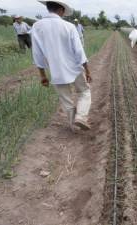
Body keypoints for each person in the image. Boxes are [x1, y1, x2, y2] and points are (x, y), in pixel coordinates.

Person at [31, 0, 92, 131]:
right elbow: (79, 51)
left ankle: (74, 128)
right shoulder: (69, 26)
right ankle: (81, 117)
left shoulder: (36, 26)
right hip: (74, 68)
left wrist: (42, 75)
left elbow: (37, 54)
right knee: (84, 92)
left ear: (48, 8)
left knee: (66, 100)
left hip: (56, 71)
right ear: (61, 10)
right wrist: (87, 70)